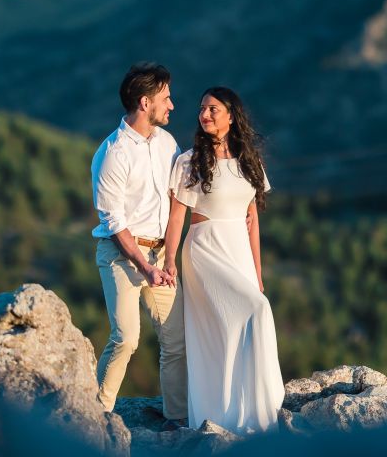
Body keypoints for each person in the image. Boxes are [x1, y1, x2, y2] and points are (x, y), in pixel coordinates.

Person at [162, 86, 285, 433]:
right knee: (252, 314)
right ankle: (226, 413)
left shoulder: (250, 161)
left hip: (239, 252)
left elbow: (253, 220)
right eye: (202, 109)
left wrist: (258, 275)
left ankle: (249, 411)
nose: (205, 114)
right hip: (205, 249)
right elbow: (177, 217)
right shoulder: (190, 161)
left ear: (232, 116)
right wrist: (170, 259)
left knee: (244, 318)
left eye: (213, 109)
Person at [90, 62, 187, 427]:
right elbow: (114, 223)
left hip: (162, 253)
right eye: (165, 98)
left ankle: (178, 418)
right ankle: (95, 416)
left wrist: (167, 258)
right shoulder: (112, 153)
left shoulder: (167, 143)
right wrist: (145, 267)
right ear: (145, 103)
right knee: (126, 338)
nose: (172, 105)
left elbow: (181, 195)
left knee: (176, 341)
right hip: (120, 254)